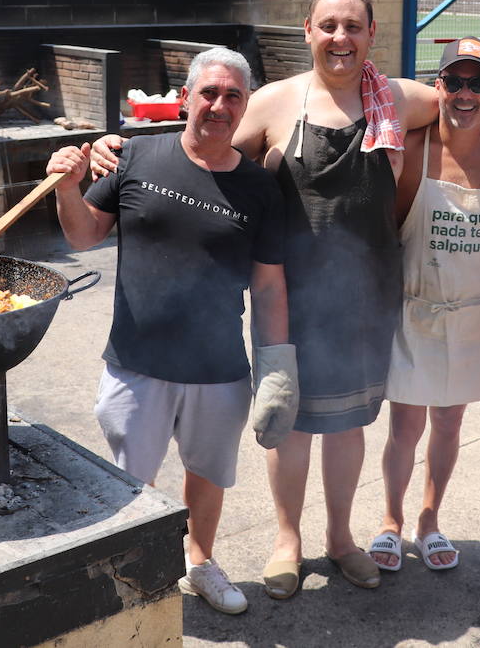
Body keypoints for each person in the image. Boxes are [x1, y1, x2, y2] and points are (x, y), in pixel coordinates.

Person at [91, 0, 480, 598]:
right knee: (286, 425)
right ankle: (287, 541)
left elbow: (477, 102)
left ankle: (340, 540)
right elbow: (202, 154)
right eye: (329, 26)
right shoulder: (273, 102)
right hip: (286, 295)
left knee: (346, 429)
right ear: (308, 33)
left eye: (353, 27)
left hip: (366, 295)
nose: (341, 38)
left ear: (372, 35)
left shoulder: (395, 97)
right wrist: (118, 150)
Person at [45, 47, 297, 616]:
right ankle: (126, 579)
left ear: (245, 105)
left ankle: (198, 563)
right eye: (208, 92)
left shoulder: (260, 189)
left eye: (233, 95)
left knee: (207, 476)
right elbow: (84, 237)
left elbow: (270, 286)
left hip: (218, 368)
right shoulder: (136, 156)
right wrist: (67, 186)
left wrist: (279, 366)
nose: (219, 105)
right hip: (136, 361)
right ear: (185, 98)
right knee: (128, 482)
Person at [367, 38, 480, 575]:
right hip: (414, 311)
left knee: (450, 426)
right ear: (437, 87)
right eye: (453, 82)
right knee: (405, 428)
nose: (464, 94)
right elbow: (384, 232)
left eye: (476, 83)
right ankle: (390, 521)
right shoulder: (412, 149)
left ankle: (429, 519)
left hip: (473, 315)